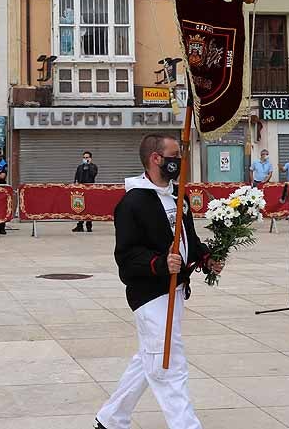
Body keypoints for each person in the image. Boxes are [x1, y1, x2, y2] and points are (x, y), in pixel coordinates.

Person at [93, 133, 223, 429]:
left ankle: (111, 419)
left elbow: (188, 239)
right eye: (175, 155)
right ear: (156, 159)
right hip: (150, 295)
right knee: (168, 365)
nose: (180, 160)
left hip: (176, 290)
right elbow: (126, 257)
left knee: (149, 358)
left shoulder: (180, 196)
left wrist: (205, 259)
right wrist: (159, 263)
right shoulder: (132, 202)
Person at [73, 151, 99, 232]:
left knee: (89, 208)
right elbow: (76, 177)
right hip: (81, 190)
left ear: (90, 158)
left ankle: (89, 225)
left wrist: (88, 166)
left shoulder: (93, 166)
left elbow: (93, 175)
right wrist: (75, 184)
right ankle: (80, 225)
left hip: (90, 189)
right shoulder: (80, 167)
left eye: (87, 157)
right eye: (84, 157)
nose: (85, 159)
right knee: (80, 208)